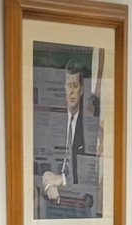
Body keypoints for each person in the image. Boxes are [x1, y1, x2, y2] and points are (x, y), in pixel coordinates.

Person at [41, 63, 96, 209]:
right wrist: (49, 183)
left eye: (75, 86)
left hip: (80, 201)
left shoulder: (89, 126)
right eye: (68, 86)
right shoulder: (55, 122)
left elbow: (89, 174)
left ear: (82, 90)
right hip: (58, 203)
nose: (71, 92)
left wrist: (62, 180)